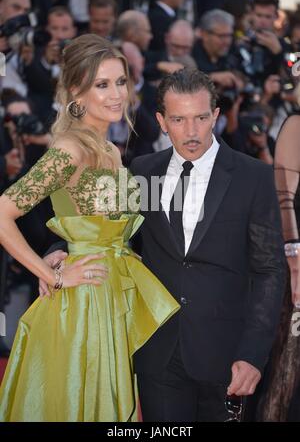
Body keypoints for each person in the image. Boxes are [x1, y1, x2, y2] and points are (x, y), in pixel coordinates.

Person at [0, 33, 179, 422]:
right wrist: (50, 274)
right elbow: (2, 214)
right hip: (84, 304)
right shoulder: (70, 149)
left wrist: (56, 252)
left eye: (120, 81)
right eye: (102, 84)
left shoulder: (111, 150)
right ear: (77, 94)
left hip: (111, 293)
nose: (117, 94)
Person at [129, 68, 286, 422]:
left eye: (201, 117)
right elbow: (114, 233)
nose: (192, 131)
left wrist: (252, 353)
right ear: (161, 121)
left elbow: (269, 270)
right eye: (179, 119)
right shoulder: (143, 171)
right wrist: (60, 249)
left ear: (215, 115)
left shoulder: (253, 176)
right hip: (159, 352)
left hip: (227, 355)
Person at [256, 115, 300, 421]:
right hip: (296, 269)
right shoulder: (297, 125)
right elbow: (283, 198)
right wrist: (295, 261)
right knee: (288, 367)